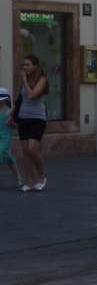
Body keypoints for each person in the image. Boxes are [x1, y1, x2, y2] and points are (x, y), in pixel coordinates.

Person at [17, 55, 48, 192]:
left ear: (35, 66)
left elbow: (31, 95)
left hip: (37, 118)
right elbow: (20, 98)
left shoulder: (42, 79)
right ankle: (30, 182)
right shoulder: (25, 79)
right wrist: (12, 115)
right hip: (23, 117)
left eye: (28, 65)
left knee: (32, 149)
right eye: (24, 65)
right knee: (25, 152)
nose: (25, 67)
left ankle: (42, 177)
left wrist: (24, 80)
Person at [0, 88, 21, 188]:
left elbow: (15, 126)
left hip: (5, 138)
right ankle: (18, 177)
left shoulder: (9, 112)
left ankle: (19, 178)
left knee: (1, 150)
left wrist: (11, 123)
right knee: (9, 159)